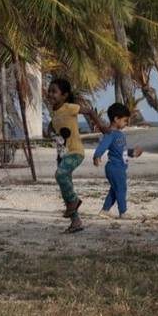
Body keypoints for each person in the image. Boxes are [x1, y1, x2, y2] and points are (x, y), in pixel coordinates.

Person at [46, 77, 87, 233]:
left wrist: (102, 126)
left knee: (60, 174)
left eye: (54, 91)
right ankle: (76, 222)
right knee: (66, 188)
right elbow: (54, 123)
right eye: (49, 91)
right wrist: (49, 130)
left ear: (64, 95)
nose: (50, 94)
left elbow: (89, 111)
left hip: (75, 152)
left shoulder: (69, 107)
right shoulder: (55, 111)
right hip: (62, 155)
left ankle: (75, 201)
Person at [92, 101, 144, 217]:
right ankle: (123, 212)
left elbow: (121, 151)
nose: (126, 123)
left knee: (115, 190)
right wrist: (97, 155)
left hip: (120, 167)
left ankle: (105, 210)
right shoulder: (110, 134)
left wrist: (133, 153)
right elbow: (103, 145)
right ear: (116, 119)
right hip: (114, 167)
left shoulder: (120, 134)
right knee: (121, 189)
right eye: (125, 120)